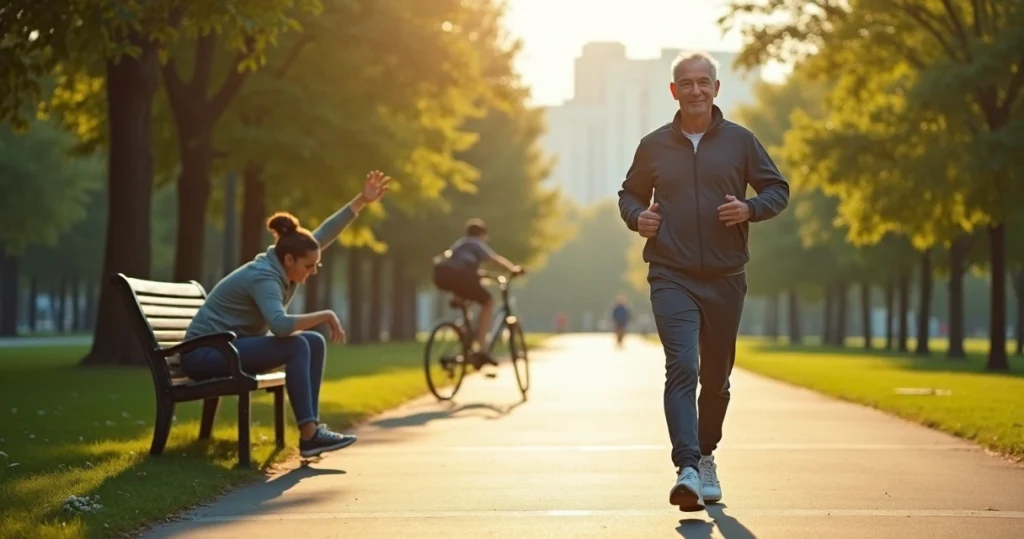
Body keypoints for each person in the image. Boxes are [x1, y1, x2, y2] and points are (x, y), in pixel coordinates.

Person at [617, 51, 789, 511]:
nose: (695, 90)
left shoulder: (741, 141)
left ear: (716, 88)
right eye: (686, 83)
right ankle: (687, 468)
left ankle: (707, 455)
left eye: (703, 82)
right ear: (674, 90)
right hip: (670, 273)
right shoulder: (653, 145)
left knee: (716, 380)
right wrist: (638, 217)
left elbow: (778, 189)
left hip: (726, 276)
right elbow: (629, 194)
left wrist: (750, 208)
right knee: (682, 366)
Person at [181, 170, 392, 459]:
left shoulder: (288, 260)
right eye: (309, 266)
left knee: (314, 342)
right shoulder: (265, 277)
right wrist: (326, 314)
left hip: (226, 347)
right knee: (296, 344)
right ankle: (309, 434)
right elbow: (280, 327)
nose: (313, 271)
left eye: (316, 265)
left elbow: (324, 234)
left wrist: (361, 201)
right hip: (204, 355)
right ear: (290, 260)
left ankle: (311, 431)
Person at [432, 218, 523, 370]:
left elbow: (462, 265)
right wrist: (513, 269)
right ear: (481, 234)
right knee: (488, 302)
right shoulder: (475, 243)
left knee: (467, 299)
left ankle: (464, 332)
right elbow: (494, 259)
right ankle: (481, 347)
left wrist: (481, 275)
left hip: (445, 278)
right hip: (462, 279)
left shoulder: (460, 245)